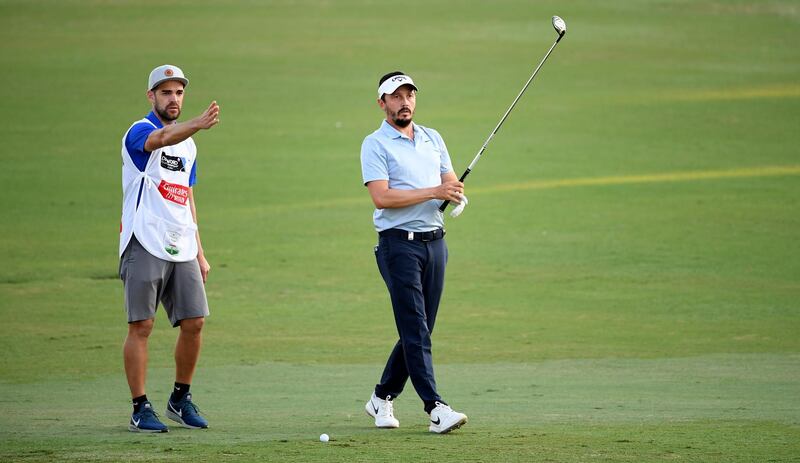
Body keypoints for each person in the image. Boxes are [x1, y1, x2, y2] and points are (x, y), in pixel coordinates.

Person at [360, 71, 469, 434]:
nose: (404, 101)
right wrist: (433, 192)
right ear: (382, 103)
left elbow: (449, 181)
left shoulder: (432, 137)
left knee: (421, 328)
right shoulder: (374, 144)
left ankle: (382, 396)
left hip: (435, 244)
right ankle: (436, 408)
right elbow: (382, 197)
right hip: (398, 246)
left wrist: (454, 192)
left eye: (409, 95)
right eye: (396, 96)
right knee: (415, 328)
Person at [119, 64, 220, 433]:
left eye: (178, 92)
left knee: (194, 322)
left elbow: (187, 196)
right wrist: (196, 122)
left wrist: (200, 250)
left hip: (182, 244)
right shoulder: (140, 131)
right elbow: (159, 141)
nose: (173, 98)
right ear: (151, 96)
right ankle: (139, 406)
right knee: (141, 325)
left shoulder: (189, 145)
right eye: (166, 92)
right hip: (144, 240)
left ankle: (180, 398)